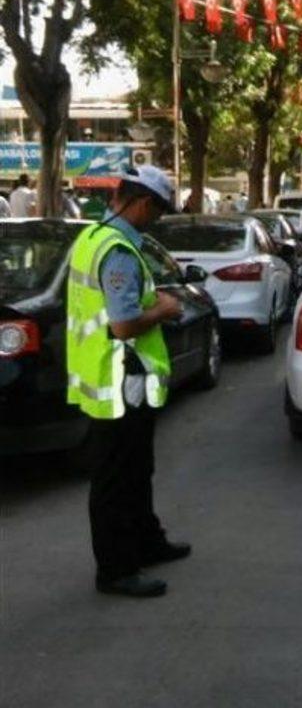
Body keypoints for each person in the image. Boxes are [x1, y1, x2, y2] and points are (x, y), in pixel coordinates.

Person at [66, 166, 190, 598]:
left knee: (137, 469)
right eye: (155, 211)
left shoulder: (93, 237)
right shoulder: (118, 250)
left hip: (110, 378)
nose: (154, 219)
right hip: (119, 381)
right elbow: (122, 326)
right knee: (116, 478)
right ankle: (116, 570)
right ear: (141, 203)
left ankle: (146, 542)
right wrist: (165, 310)